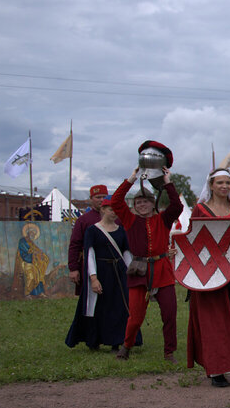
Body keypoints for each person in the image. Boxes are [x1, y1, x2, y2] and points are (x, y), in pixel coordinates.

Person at [111, 145, 183, 361]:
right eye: (138, 202)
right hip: (138, 270)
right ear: (135, 205)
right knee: (136, 317)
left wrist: (168, 182)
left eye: (146, 201)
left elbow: (177, 206)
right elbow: (115, 202)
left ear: (153, 204)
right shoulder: (130, 220)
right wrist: (131, 179)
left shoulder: (162, 219)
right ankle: (126, 346)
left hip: (162, 270)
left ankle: (169, 352)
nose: (142, 205)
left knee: (169, 313)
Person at [186, 169, 230, 387]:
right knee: (213, 323)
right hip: (206, 274)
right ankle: (216, 371)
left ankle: (222, 362)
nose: (224, 186)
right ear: (211, 185)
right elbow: (191, 237)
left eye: (227, 183)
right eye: (220, 183)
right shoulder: (200, 209)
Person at [64, 197, 134, 351]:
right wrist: (93, 279)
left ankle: (117, 340)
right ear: (103, 210)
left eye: (116, 210)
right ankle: (94, 340)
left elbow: (126, 253)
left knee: (118, 306)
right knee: (98, 307)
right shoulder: (92, 230)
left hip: (118, 273)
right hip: (100, 271)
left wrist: (131, 273)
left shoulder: (121, 230)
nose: (114, 213)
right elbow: (90, 253)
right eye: (110, 209)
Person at [68, 184, 108, 293]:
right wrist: (73, 268)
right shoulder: (83, 220)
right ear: (91, 199)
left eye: (104, 197)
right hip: (89, 264)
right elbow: (75, 245)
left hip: (110, 264)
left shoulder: (115, 218)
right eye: (98, 197)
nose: (101, 200)